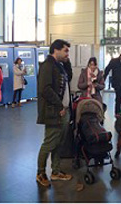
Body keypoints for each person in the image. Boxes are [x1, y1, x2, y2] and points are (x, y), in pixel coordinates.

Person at [36, 39, 73, 188]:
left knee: (59, 142)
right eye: (65, 51)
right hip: (55, 112)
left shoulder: (59, 66)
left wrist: (67, 62)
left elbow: (68, 78)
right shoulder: (47, 66)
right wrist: (59, 106)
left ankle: (56, 171)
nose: (67, 54)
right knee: (49, 143)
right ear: (55, 50)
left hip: (63, 111)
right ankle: (40, 173)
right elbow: (45, 89)